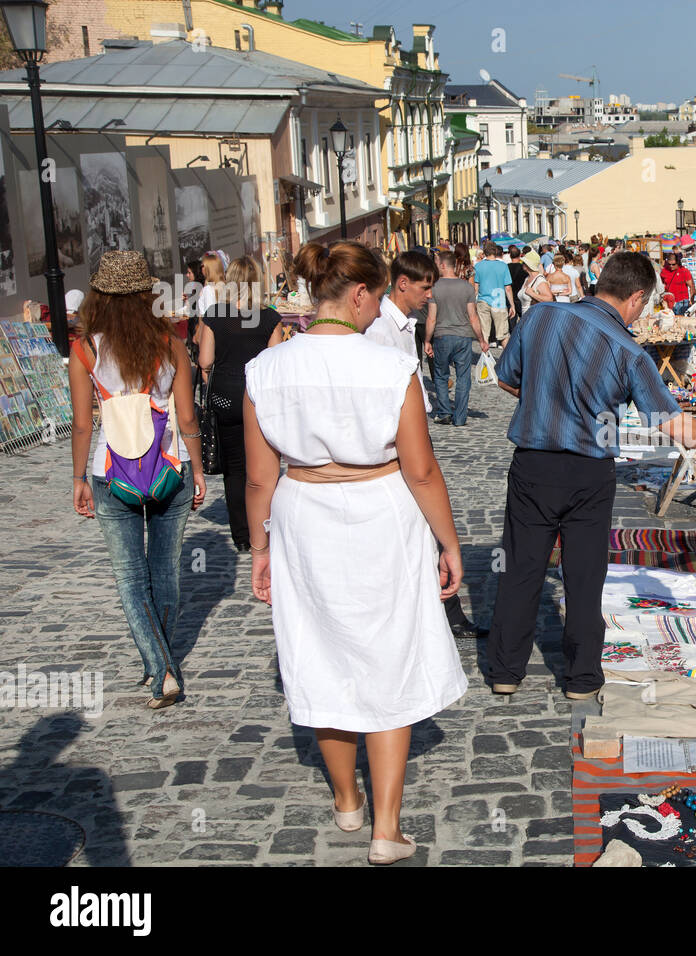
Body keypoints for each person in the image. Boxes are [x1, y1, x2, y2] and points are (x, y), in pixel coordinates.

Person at [243, 240, 467, 865]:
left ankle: (347, 800)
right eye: (376, 298)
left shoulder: (266, 370)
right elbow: (422, 471)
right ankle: (386, 827)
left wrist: (260, 548)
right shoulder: (388, 369)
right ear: (360, 294)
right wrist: (448, 543)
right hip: (381, 512)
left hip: (302, 516)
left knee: (319, 652)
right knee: (387, 655)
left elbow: (258, 480)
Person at [486, 253, 696, 699]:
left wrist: (544, 398)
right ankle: (582, 678)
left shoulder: (540, 318)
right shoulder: (630, 351)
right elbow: (670, 423)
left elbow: (508, 379)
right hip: (588, 472)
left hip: (533, 462)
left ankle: (505, 671)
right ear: (636, 298)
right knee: (584, 575)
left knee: (520, 568)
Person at [68, 251, 207, 709]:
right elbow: (187, 416)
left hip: (111, 474)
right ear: (147, 294)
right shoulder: (170, 345)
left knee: (130, 577)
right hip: (169, 467)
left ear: (99, 297)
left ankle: (161, 667)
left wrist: (77, 478)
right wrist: (199, 469)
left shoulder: (86, 349)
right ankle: (160, 662)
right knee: (165, 572)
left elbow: (83, 424)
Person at [196, 255, 283, 550]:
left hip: (224, 397)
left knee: (234, 470)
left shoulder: (214, 314)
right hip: (257, 397)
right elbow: (276, 362)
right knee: (262, 467)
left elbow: (205, 360)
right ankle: (264, 529)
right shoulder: (269, 317)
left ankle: (242, 535)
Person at [364, 250, 435, 416]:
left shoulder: (406, 321)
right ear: (403, 283)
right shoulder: (381, 328)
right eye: (425, 288)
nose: (430, 295)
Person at [424, 250, 490, 427]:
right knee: (463, 377)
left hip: (442, 336)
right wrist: (482, 340)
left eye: (438, 264)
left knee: (441, 375)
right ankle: (460, 417)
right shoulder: (466, 287)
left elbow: (431, 318)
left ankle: (444, 411)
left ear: (444, 265)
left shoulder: (435, 288)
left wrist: (427, 340)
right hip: (463, 337)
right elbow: (473, 317)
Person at [473, 242, 516, 350]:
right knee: (503, 335)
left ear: (484, 252)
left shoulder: (478, 266)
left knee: (485, 333)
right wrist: (512, 305)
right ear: (496, 251)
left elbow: (476, 287)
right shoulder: (503, 266)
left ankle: (486, 359)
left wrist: (473, 302)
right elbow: (508, 288)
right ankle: (507, 361)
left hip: (483, 301)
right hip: (499, 301)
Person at [518, 249, 555, 315]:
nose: (522, 264)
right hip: (525, 317)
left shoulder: (539, 280)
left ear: (528, 264)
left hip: (534, 318)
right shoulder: (527, 278)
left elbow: (550, 299)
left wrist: (532, 294)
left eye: (524, 262)